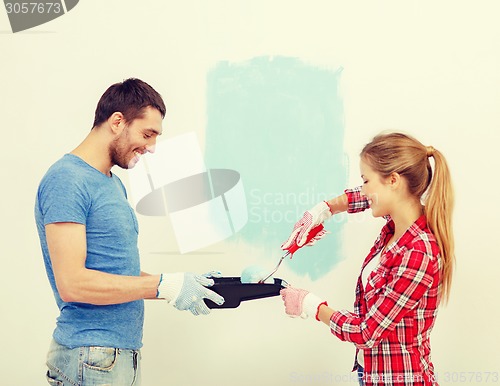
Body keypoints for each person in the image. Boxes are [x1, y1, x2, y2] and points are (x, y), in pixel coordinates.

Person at [35, 78, 224, 386]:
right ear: (117, 121)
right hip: (90, 355)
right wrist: (162, 285)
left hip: (116, 356)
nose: (151, 147)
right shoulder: (67, 180)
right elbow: (72, 283)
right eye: (147, 134)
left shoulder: (111, 183)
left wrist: (179, 286)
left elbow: (115, 271)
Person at [280, 132, 454, 386]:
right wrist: (323, 210)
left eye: (366, 180)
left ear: (393, 180)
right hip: (371, 373)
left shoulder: (418, 252)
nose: (363, 189)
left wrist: (312, 306)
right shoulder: (397, 225)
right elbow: (365, 197)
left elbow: (366, 333)